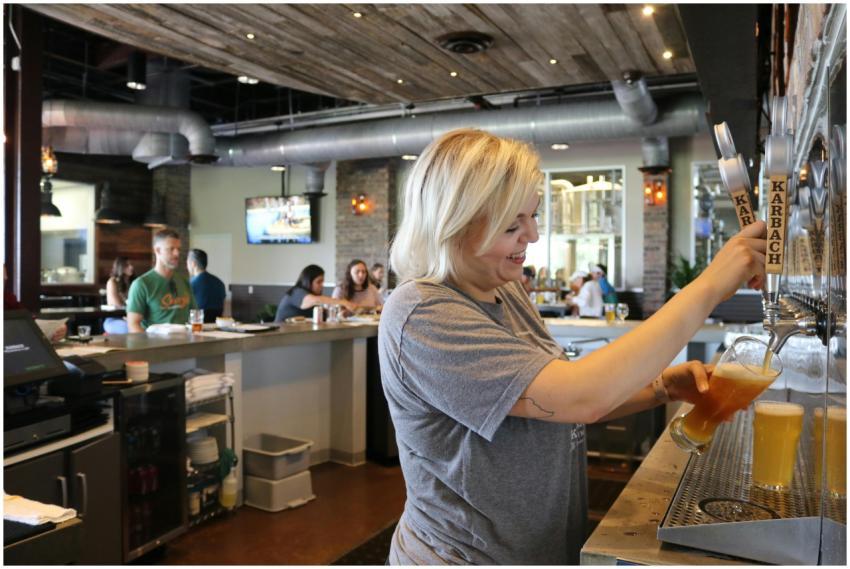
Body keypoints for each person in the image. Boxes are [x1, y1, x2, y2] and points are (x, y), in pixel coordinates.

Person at [378, 128, 766, 565]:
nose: (534, 235)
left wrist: (662, 388)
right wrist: (711, 285)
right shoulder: (422, 313)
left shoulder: (505, 290)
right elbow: (582, 397)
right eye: (513, 224)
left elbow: (556, 408)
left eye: (533, 216)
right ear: (454, 222)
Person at [126, 229, 195, 333]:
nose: (176, 253)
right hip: (155, 345)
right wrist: (148, 347)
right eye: (171, 249)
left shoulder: (183, 281)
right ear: (157, 250)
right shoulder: (142, 284)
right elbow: (133, 324)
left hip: (184, 344)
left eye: (178, 249)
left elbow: (194, 315)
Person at [274, 264, 355, 322]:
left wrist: (341, 313)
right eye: (319, 282)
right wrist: (343, 302)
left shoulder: (314, 296)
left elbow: (323, 315)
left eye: (322, 281)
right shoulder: (297, 292)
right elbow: (315, 300)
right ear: (308, 281)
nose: (322, 285)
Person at [187, 249, 227, 322]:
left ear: (193, 264)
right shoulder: (219, 282)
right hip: (216, 325)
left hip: (197, 325)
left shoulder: (189, 284)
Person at [104, 256, 134, 334]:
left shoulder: (133, 282)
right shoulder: (112, 282)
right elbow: (118, 307)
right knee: (131, 329)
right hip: (114, 320)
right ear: (120, 267)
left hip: (131, 317)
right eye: (127, 265)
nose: (131, 267)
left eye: (131, 264)